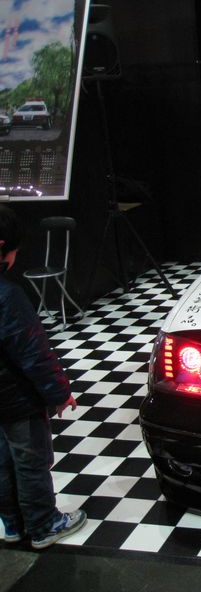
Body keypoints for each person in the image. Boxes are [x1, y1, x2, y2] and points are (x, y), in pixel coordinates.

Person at [0, 205, 86, 549]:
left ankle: (13, 524)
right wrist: (59, 392)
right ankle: (43, 525)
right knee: (31, 461)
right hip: (16, 398)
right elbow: (33, 353)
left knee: (2, 462)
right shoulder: (7, 296)